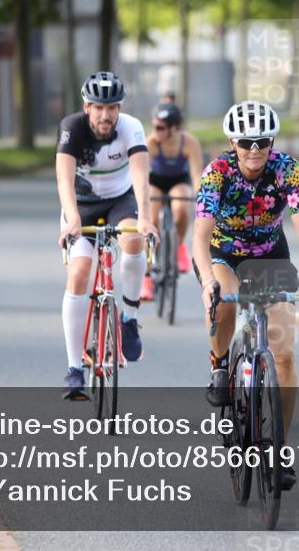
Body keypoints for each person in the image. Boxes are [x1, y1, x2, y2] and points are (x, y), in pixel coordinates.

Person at [192, 100, 299, 491]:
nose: (254, 149)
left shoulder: (287, 170)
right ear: (233, 142)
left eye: (262, 141)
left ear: (271, 142)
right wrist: (207, 283)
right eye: (246, 142)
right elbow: (199, 237)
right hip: (223, 254)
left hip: (269, 255)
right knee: (225, 304)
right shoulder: (217, 173)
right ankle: (219, 364)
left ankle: (278, 449)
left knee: (284, 356)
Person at [56, 71, 158, 400]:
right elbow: (64, 180)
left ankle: (129, 319)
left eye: (112, 107)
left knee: (133, 239)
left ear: (119, 108)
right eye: (99, 107)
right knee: (79, 273)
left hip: (120, 200)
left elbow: (141, 177)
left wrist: (145, 218)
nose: (105, 115)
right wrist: (72, 219)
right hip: (81, 205)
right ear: (87, 107)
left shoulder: (131, 127)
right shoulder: (72, 128)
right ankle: (74, 369)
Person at [141, 103, 204, 300]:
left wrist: (201, 198)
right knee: (151, 221)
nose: (155, 131)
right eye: (154, 126)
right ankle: (147, 276)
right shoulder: (151, 142)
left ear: (174, 128)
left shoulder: (189, 143)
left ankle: (179, 246)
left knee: (181, 208)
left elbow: (197, 176)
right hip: (156, 182)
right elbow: (142, 175)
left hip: (179, 181)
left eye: (160, 127)